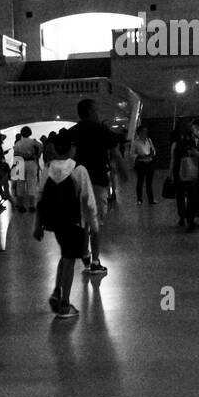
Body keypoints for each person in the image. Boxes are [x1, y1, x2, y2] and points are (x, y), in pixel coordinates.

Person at [34, 129, 98, 320]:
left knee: (66, 255)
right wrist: (93, 224)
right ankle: (64, 303)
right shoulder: (79, 169)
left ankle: (56, 291)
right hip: (74, 220)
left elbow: (40, 197)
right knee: (70, 260)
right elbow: (88, 199)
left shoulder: (48, 168)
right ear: (70, 148)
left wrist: (37, 225)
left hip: (55, 221)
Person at [71, 98, 121, 276]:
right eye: (96, 110)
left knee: (84, 219)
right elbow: (115, 152)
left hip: (79, 182)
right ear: (91, 112)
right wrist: (123, 171)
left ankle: (85, 253)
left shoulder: (74, 131)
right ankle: (95, 261)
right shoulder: (101, 130)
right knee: (96, 221)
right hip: (98, 181)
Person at [170, 124, 196, 228]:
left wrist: (170, 174)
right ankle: (190, 220)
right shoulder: (192, 144)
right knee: (191, 196)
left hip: (178, 172)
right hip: (190, 172)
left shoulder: (175, 145)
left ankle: (182, 216)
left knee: (180, 195)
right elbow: (195, 158)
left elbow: (172, 160)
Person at [11, 126, 44, 211]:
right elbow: (41, 147)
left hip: (20, 162)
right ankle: (32, 206)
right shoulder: (33, 142)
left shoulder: (18, 143)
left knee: (20, 185)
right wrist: (37, 155)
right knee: (31, 183)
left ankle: (21, 206)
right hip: (31, 162)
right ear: (30, 133)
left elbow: (15, 155)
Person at [131, 125, 157, 204]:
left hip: (149, 162)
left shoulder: (149, 140)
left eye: (146, 132)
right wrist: (139, 156)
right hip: (141, 163)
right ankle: (139, 199)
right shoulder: (135, 142)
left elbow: (153, 150)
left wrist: (152, 154)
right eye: (143, 131)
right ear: (139, 133)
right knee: (140, 182)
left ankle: (151, 199)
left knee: (149, 183)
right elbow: (132, 153)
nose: (145, 133)